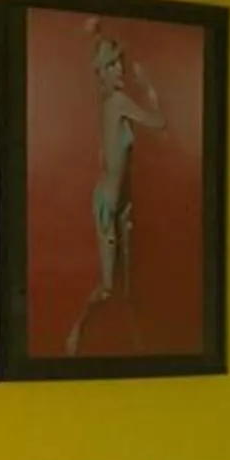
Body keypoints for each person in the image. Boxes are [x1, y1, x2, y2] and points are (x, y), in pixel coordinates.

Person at [63, 19, 167, 356]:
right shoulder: (117, 102)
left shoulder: (109, 102)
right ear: (102, 72)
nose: (118, 67)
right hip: (108, 203)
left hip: (120, 204)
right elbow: (158, 121)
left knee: (126, 284)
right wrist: (149, 85)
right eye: (110, 64)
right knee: (109, 287)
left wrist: (98, 31)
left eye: (118, 61)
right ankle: (76, 332)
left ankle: (136, 343)